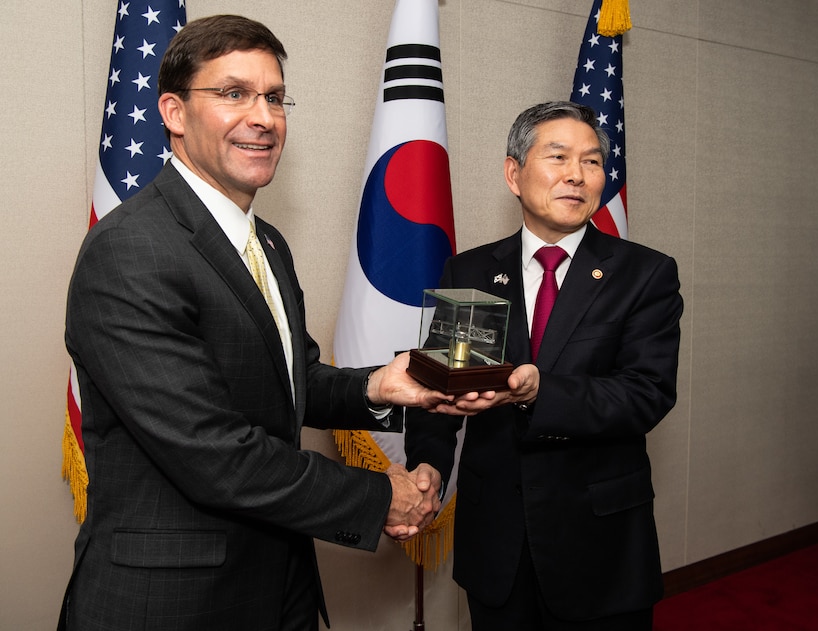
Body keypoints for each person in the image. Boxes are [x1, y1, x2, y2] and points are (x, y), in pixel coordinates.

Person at [58, 15, 495, 631]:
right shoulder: (132, 250)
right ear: (174, 113)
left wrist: (380, 386)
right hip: (173, 603)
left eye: (274, 97)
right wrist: (380, 496)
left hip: (279, 578)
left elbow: (294, 381)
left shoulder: (266, 242)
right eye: (234, 94)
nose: (262, 116)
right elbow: (214, 455)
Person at [405, 101, 683, 630]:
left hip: (600, 546)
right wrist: (429, 466)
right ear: (515, 173)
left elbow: (646, 394)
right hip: (496, 543)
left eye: (592, 161)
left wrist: (539, 392)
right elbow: (439, 389)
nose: (577, 175)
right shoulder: (469, 270)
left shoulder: (644, 274)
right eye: (558, 157)